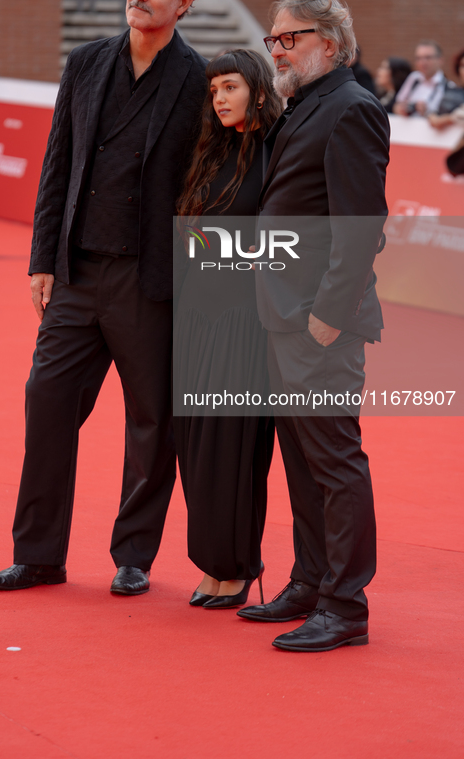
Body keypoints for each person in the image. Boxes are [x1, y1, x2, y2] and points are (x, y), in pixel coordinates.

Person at [0, 0, 212, 597]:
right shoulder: (84, 64)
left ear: (186, 2)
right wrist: (41, 259)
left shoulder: (198, 79)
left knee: (150, 422)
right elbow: (58, 166)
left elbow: (206, 186)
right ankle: (38, 553)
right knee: (46, 401)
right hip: (76, 274)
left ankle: (133, 554)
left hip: (151, 281)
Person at [237, 0, 389, 652]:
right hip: (285, 315)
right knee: (300, 460)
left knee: (333, 461)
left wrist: (326, 316)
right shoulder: (305, 104)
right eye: (273, 38)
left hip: (317, 323)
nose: (277, 50)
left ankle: (344, 604)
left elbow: (358, 227)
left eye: (287, 38)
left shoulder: (350, 109)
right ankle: (308, 581)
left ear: (327, 42)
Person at [174, 49, 280, 609]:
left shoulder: (277, 152)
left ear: (258, 90)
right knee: (193, 445)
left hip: (245, 325)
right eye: (213, 88)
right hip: (196, 318)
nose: (218, 97)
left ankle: (236, 565)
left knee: (232, 448)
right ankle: (211, 561)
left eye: (230, 86)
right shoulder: (212, 153)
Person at [393, 40, 464, 116]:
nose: (423, 62)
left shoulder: (449, 87)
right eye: (418, 58)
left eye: (428, 58)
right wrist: (403, 109)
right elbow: (397, 105)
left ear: (440, 60)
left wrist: (426, 112)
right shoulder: (414, 78)